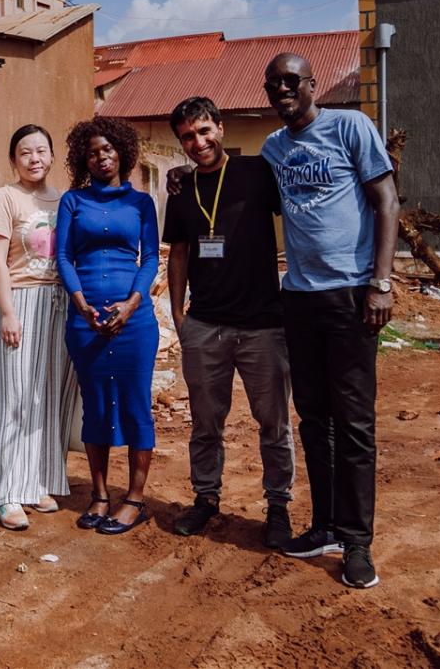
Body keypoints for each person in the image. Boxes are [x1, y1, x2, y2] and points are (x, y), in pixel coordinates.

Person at [259, 53, 399, 588]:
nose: (282, 91)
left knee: (356, 423)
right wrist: (184, 175)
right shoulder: (274, 148)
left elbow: (386, 201)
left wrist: (380, 283)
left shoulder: (351, 127)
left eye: (291, 82)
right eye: (273, 85)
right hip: (299, 297)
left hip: (350, 296)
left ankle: (358, 542)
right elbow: (248, 187)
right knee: (314, 420)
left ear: (312, 85)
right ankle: (324, 526)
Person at [161, 96, 294, 548]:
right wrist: (178, 315)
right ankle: (205, 499)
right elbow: (178, 252)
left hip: (263, 325)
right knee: (205, 424)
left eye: (204, 131)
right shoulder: (179, 191)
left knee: (274, 423)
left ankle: (278, 507)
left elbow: (298, 216)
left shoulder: (258, 174)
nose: (198, 142)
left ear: (221, 127)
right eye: (187, 137)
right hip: (205, 326)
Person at [56, 117, 159, 536]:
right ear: (84, 157)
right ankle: (99, 495)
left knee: (136, 404)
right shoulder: (72, 201)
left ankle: (134, 499)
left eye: (108, 149)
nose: (101, 157)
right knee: (95, 406)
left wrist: (131, 305)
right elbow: (63, 257)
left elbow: (150, 257)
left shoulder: (141, 203)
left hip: (134, 323)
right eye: (93, 151)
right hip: (86, 322)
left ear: (123, 153)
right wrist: (82, 307)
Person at [0, 124, 76, 531]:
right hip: (19, 301)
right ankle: (6, 492)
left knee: (48, 397)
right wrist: (6, 312)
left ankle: (37, 480)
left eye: (41, 150)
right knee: (16, 399)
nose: (34, 158)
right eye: (25, 152)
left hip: (58, 304)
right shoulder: (5, 197)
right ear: (13, 159)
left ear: (52, 156)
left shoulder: (65, 200)